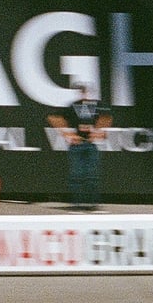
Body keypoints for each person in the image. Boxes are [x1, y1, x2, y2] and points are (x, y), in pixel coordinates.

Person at [47, 83, 111, 212]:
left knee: (92, 175)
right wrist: (67, 133)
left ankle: (92, 204)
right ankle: (78, 203)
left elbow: (107, 117)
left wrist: (99, 131)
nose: (84, 94)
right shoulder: (72, 106)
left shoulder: (98, 105)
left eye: (85, 92)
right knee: (76, 175)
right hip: (77, 144)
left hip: (90, 144)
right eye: (81, 92)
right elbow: (53, 117)